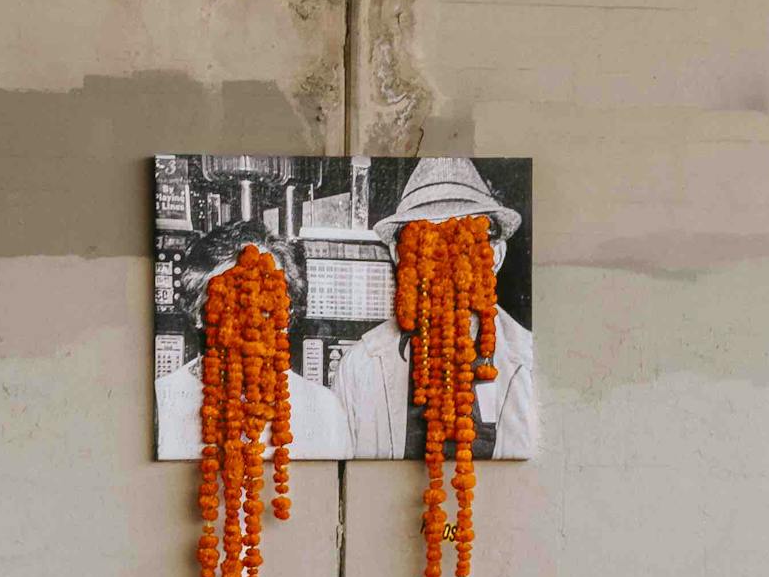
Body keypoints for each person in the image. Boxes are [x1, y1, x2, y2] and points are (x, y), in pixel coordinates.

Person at [331, 158, 538, 460]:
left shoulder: (532, 365)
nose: (443, 260)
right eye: (424, 241)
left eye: (462, 240)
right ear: (398, 256)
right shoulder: (360, 368)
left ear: (495, 255)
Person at [154, 223, 353, 462]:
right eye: (233, 301)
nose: (254, 320)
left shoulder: (324, 410)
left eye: (269, 302)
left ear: (287, 316)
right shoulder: (160, 404)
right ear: (198, 313)